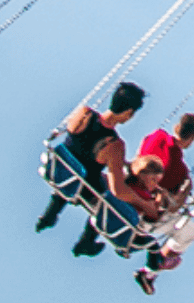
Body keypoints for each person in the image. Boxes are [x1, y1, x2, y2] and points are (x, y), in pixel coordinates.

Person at [36, 81, 155, 257]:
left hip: (59, 170)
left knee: (73, 164)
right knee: (113, 197)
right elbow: (118, 190)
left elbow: (83, 146)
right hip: (85, 188)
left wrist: (123, 163)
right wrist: (144, 203)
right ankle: (86, 241)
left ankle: (49, 215)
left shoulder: (83, 113)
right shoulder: (114, 145)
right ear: (129, 113)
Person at [132, 112, 194, 295]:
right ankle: (153, 268)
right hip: (143, 214)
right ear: (193, 138)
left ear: (176, 127)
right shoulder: (178, 169)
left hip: (127, 191)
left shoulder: (157, 136)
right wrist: (184, 191)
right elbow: (174, 204)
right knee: (189, 231)